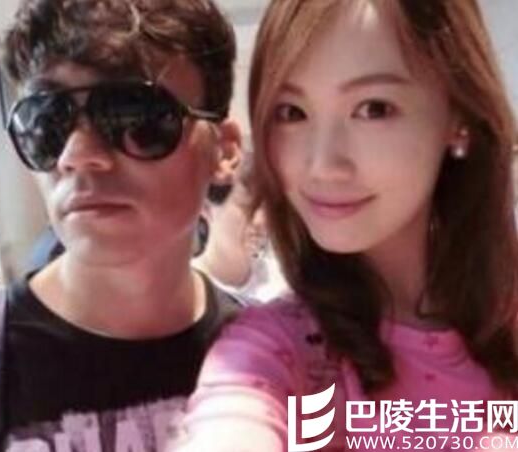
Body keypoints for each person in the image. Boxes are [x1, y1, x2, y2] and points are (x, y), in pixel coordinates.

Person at [172, 1, 518, 450]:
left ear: (459, 116)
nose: (323, 164)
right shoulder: (286, 352)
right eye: (292, 112)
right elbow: (234, 416)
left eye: (373, 108)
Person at [0, 0, 242, 450]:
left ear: (223, 150)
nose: (76, 155)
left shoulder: (284, 357)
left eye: (134, 114)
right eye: (47, 122)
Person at [193, 152, 288, 303]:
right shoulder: (188, 293)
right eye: (247, 206)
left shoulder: (283, 282)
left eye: (268, 208)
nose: (261, 221)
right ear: (206, 208)